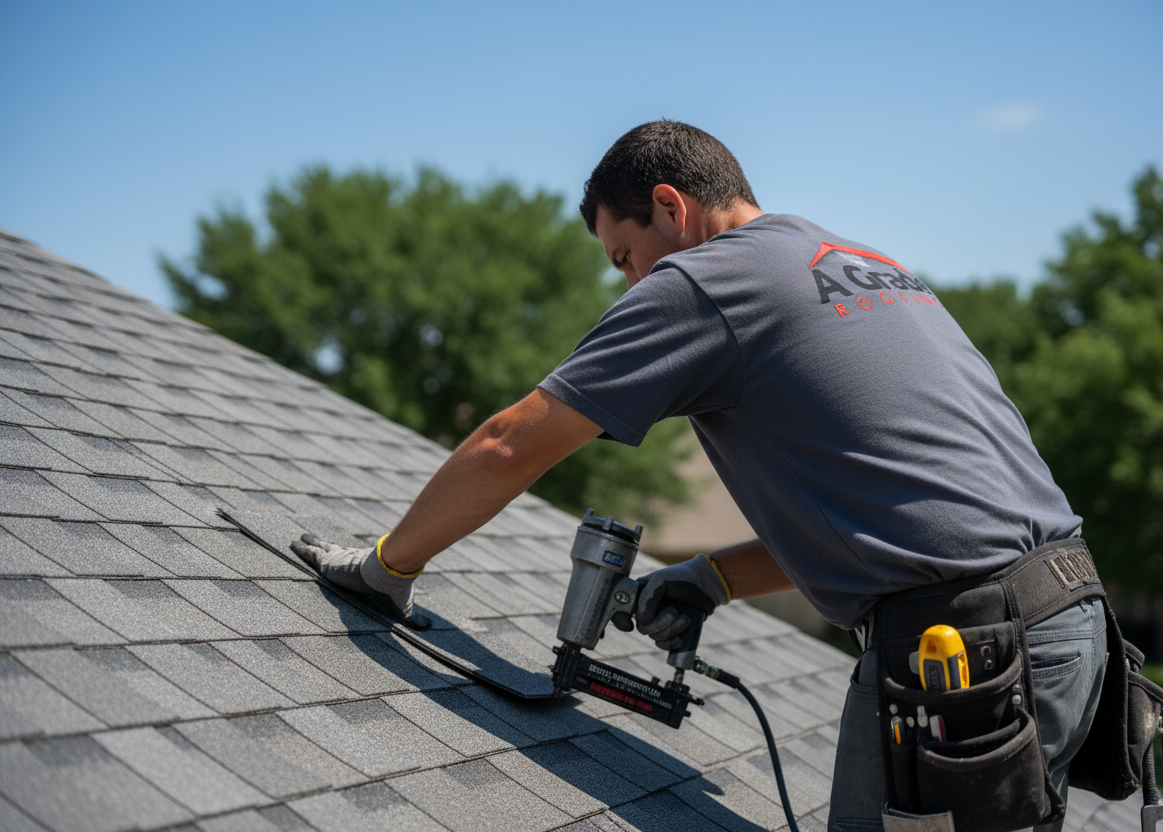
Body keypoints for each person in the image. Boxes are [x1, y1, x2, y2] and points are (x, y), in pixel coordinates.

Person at [293, 121, 1109, 832]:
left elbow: (513, 444)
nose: (629, 284)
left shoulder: (705, 282)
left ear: (672, 208)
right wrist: (713, 577)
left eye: (625, 255)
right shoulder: (858, 261)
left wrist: (385, 568)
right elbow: (895, 515)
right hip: (1072, 627)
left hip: (963, 649)